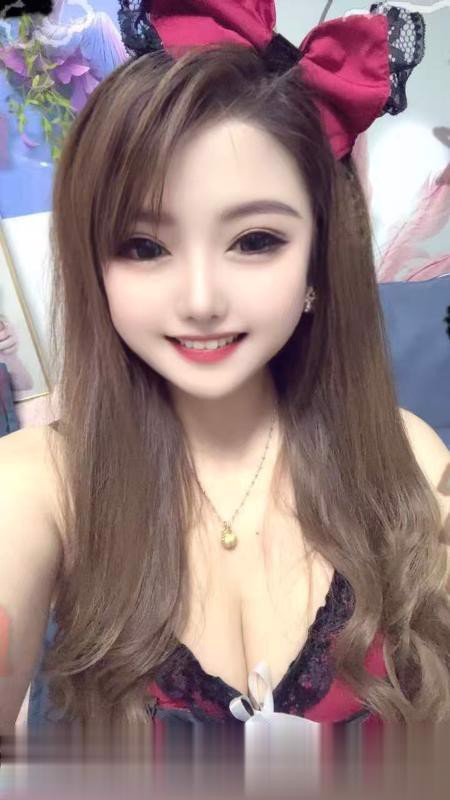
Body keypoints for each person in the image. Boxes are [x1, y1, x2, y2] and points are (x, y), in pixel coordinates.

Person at [0, 0, 449, 729]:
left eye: (255, 240)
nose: (201, 301)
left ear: (318, 258)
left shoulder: (408, 458)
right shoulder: (41, 484)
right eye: (144, 247)